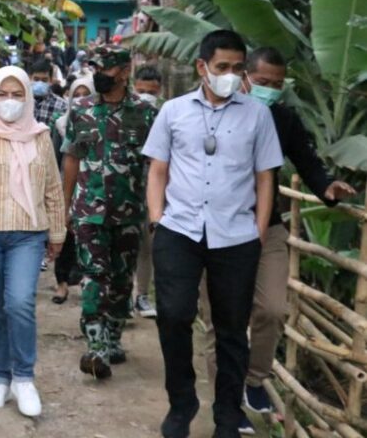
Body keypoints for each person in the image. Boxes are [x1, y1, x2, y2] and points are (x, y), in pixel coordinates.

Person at [201, 47, 356, 435]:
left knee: (272, 308)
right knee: (221, 324)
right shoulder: (212, 114)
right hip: (216, 230)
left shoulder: (282, 119)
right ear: (245, 77)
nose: (270, 89)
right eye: (263, 82)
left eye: (277, 84)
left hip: (266, 227)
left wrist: (326, 188)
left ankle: (254, 381)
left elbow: (306, 160)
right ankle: (228, 403)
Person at [142, 30, 283, 438]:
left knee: (231, 329)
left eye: (238, 68)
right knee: (173, 315)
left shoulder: (257, 115)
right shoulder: (173, 111)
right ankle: (181, 403)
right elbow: (158, 170)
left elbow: (265, 178)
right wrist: (156, 220)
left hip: (236, 235)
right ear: (202, 67)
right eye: (222, 67)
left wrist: (257, 232)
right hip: (179, 229)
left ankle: (226, 416)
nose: (231, 75)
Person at [0, 66, 65, 418]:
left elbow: (52, 186)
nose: (10, 102)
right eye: (3, 94)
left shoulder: (40, 136)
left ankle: (24, 377)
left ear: (29, 98)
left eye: (18, 95)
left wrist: (58, 233)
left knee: (18, 302)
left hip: (27, 234)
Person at [61, 46, 157, 380]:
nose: (99, 74)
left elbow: (155, 166)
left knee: (120, 280)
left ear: (125, 71)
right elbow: (72, 157)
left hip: (129, 213)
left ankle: (113, 336)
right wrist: (66, 206)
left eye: (106, 69)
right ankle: (96, 346)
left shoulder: (145, 114)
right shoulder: (82, 110)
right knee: (93, 277)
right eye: (95, 68)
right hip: (90, 211)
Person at [50, 75, 94, 304]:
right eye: (75, 95)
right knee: (64, 236)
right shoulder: (60, 123)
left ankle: (87, 283)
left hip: (92, 189)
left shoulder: (100, 122)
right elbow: (56, 157)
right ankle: (62, 284)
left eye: (85, 94)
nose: (80, 99)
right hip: (66, 185)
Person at [132, 64, 164, 319]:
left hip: (152, 191)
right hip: (122, 190)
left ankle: (141, 295)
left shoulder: (166, 116)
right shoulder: (125, 114)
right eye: (141, 91)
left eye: (151, 92)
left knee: (147, 246)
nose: (146, 96)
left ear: (159, 91)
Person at [30, 58, 67, 125]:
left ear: (50, 81)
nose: (39, 83)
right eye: (36, 79)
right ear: (30, 79)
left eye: (44, 80)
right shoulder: (22, 102)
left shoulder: (61, 106)